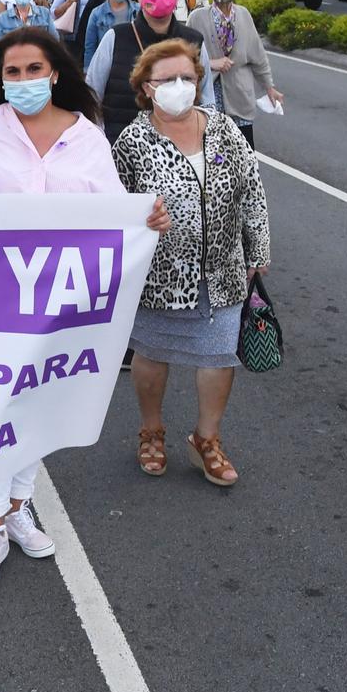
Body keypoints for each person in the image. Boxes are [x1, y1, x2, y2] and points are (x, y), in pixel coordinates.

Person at [0, 29, 166, 586]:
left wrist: (144, 221)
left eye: (36, 69)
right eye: (13, 72)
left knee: (35, 404)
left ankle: (17, 508)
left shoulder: (86, 135)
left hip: (59, 298)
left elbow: (111, 211)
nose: (25, 81)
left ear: (55, 73)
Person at [115, 39, 270, 484]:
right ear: (147, 87)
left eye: (188, 77)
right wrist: (143, 219)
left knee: (220, 356)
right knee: (150, 354)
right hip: (158, 274)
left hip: (222, 269)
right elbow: (115, 203)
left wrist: (257, 251)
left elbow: (252, 192)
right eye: (168, 80)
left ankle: (206, 439)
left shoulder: (223, 129)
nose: (180, 86)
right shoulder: (133, 140)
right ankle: (151, 431)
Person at [87, 0, 204, 140]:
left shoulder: (194, 41)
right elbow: (92, 97)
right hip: (120, 150)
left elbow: (207, 104)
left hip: (180, 149)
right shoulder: (115, 38)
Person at [191, 0, 283, 145]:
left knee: (244, 153)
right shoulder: (197, 18)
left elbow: (258, 56)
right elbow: (185, 58)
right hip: (210, 97)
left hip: (240, 96)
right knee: (215, 154)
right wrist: (211, 63)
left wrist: (269, 87)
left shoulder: (243, 15)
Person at [83, 0, 135, 68]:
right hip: (107, 65)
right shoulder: (97, 13)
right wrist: (87, 70)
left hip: (133, 63)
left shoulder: (137, 10)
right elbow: (90, 46)